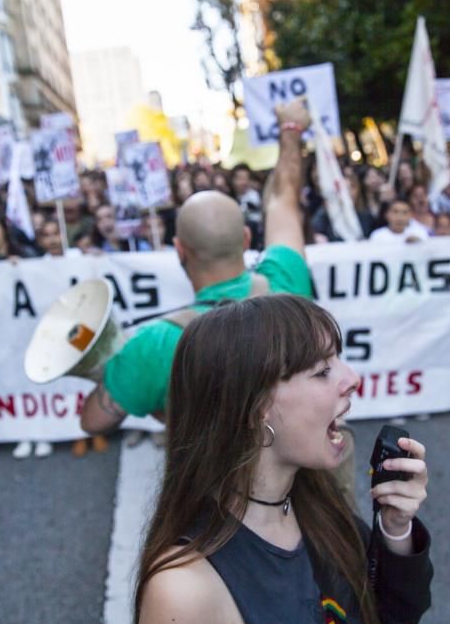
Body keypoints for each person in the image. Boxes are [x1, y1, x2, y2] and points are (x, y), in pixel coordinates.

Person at [133, 295, 432, 624]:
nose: (352, 378)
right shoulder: (183, 591)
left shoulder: (311, 498)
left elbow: (396, 614)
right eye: (322, 370)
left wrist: (396, 528)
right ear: (256, 407)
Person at [80, 99, 327, 456]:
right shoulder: (286, 282)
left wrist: (126, 376)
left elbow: (93, 421)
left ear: (179, 251)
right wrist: (290, 130)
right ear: (245, 240)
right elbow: (284, 199)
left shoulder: (153, 344)